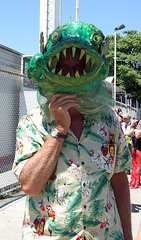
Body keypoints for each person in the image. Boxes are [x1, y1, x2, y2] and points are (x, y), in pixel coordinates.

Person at [12, 22, 133, 240]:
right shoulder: (33, 123)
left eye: (79, 69)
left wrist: (128, 235)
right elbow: (30, 185)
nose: (70, 77)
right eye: (63, 69)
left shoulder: (109, 121)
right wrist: (59, 129)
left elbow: (119, 180)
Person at [130, 120, 141, 188]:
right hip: (137, 150)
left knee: (136, 167)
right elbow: (137, 135)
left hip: (136, 149)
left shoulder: (133, 130)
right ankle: (134, 183)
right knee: (137, 167)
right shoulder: (134, 131)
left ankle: (134, 183)